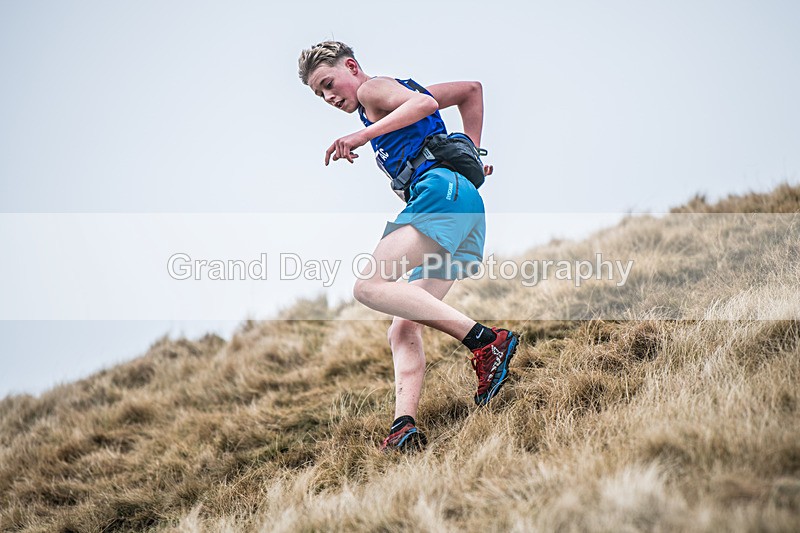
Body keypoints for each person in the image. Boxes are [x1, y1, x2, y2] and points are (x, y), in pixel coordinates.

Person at [298, 41, 519, 452]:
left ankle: (487, 341)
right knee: (402, 327)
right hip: (463, 205)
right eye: (319, 94)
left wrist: (363, 134)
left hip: (440, 196)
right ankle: (404, 426)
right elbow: (471, 89)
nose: (328, 97)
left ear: (351, 66)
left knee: (368, 287)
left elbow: (422, 105)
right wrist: (469, 150)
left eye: (328, 83)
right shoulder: (387, 96)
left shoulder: (372, 90)